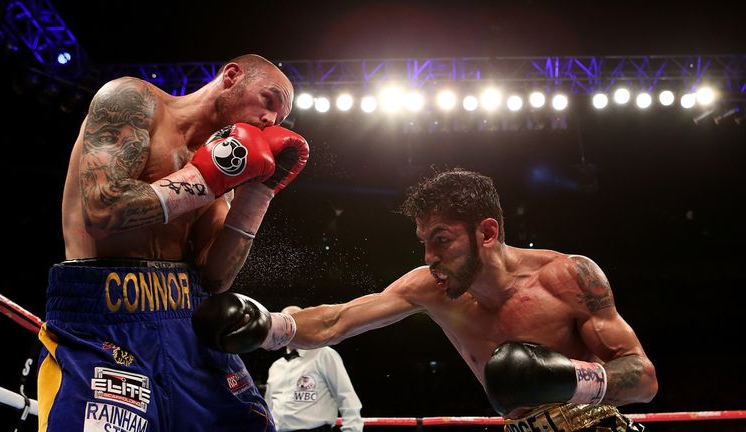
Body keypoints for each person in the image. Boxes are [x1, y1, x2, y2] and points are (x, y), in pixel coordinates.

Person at [195, 168, 658, 432]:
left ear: (488, 232)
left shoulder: (569, 277)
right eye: (424, 242)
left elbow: (644, 380)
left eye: (442, 240)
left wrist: (566, 379)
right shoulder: (431, 287)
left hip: (594, 423)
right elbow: (339, 321)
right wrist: (270, 327)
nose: (430, 257)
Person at [37, 54, 309, 432]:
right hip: (105, 320)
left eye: (280, 120)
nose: (270, 122)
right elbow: (102, 210)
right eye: (269, 101)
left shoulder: (222, 167)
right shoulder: (132, 99)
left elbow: (215, 279)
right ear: (231, 76)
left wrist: (258, 194)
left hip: (187, 318)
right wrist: (205, 181)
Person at [265, 306, 363, 432]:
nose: (288, 329)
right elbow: (268, 406)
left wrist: (352, 430)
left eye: (293, 323)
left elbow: (346, 396)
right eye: (284, 323)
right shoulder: (276, 366)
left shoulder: (323, 354)